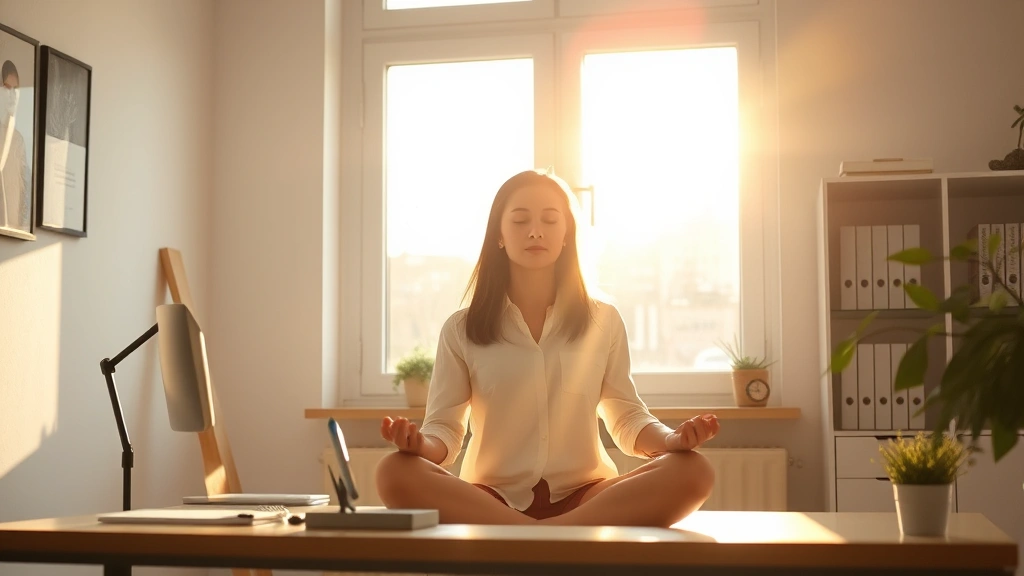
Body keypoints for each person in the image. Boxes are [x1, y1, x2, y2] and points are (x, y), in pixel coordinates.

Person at [375, 169, 719, 527]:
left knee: (693, 471)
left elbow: (627, 417)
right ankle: (551, 538)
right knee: (394, 472)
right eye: (520, 220)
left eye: (550, 220)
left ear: (567, 234)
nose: (536, 231)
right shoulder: (461, 329)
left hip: (586, 495)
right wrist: (418, 446)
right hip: (492, 498)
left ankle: (534, 537)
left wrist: (672, 438)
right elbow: (444, 430)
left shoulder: (603, 320)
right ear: (499, 235)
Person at [1, 59, 30, 232]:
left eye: (16, 89)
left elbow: (24, 190)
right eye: (7, 87)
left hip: (13, 229)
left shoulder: (18, 140)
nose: (12, 95)